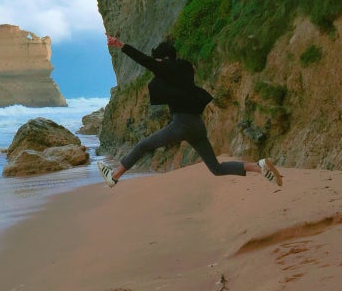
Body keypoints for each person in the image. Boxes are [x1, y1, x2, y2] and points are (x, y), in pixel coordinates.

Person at [97, 34, 283, 187]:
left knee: (143, 145)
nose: (156, 64)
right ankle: (258, 167)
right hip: (197, 125)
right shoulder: (185, 69)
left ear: (163, 58)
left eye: (158, 60)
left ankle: (114, 176)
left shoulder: (167, 69)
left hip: (182, 124)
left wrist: (121, 45)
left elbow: (145, 61)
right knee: (216, 168)